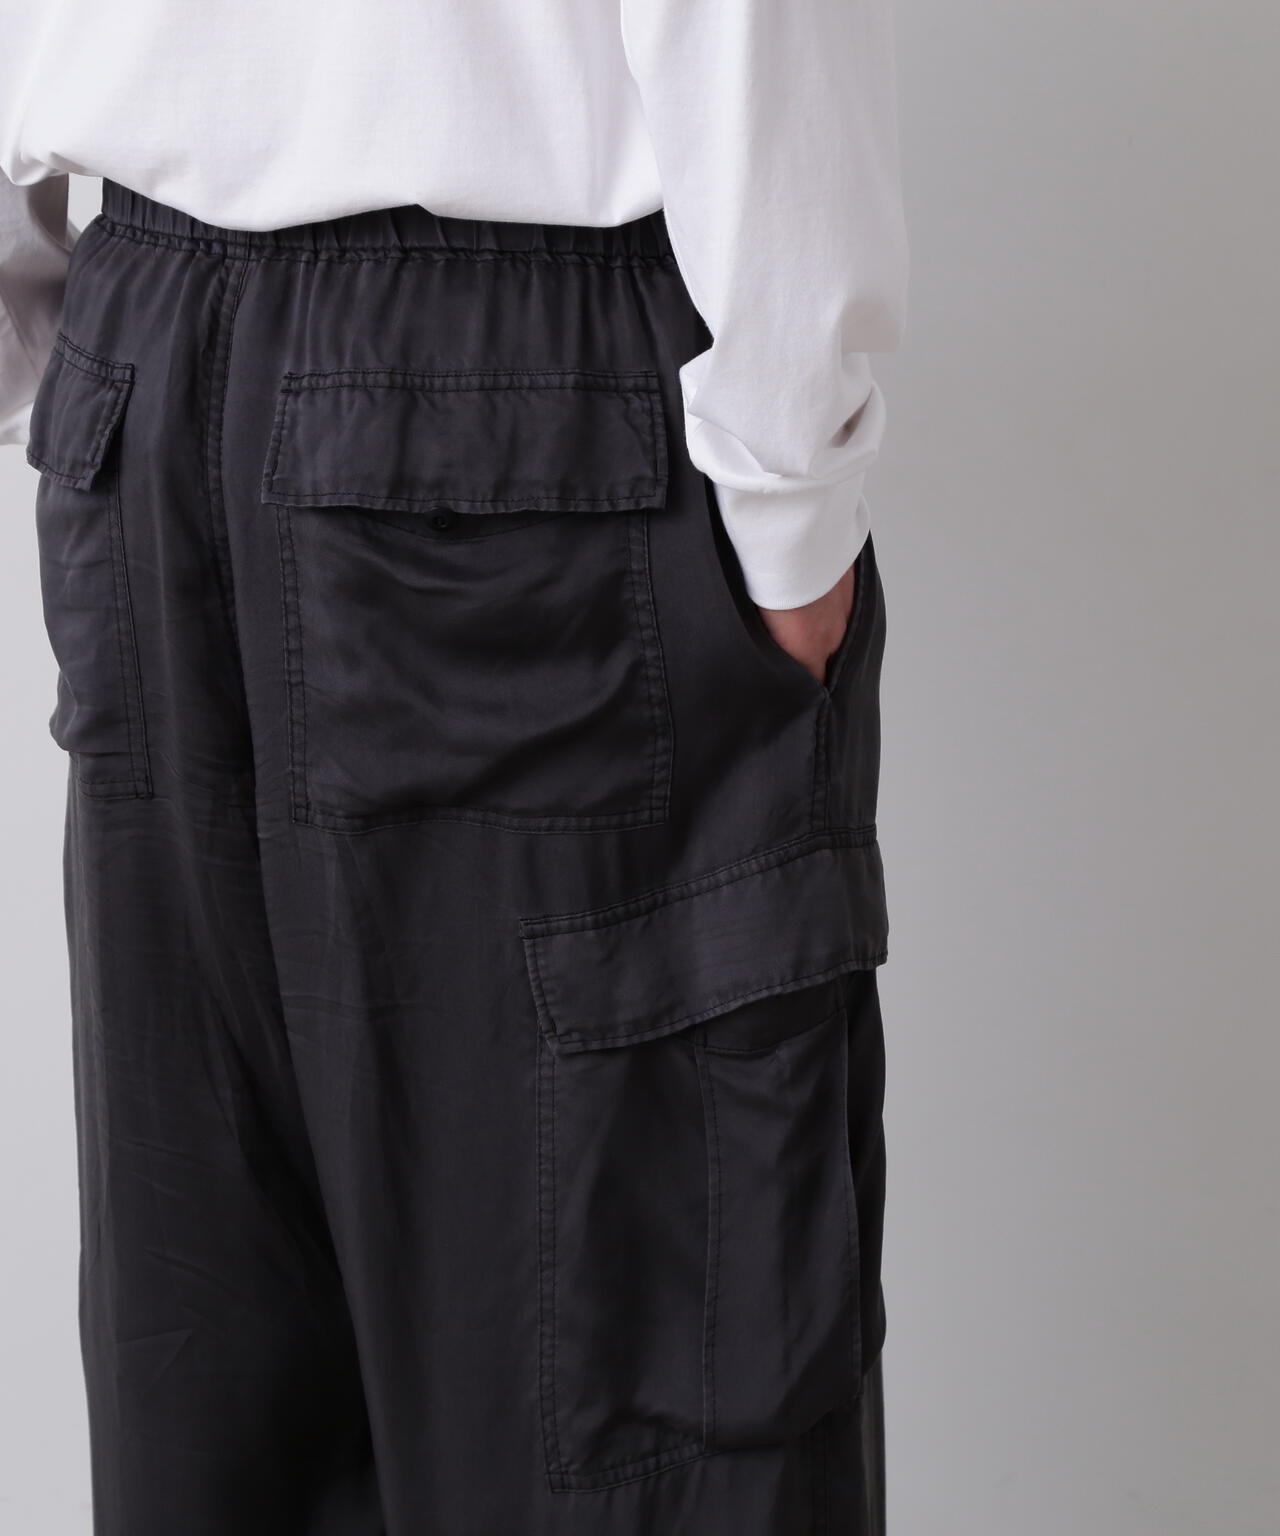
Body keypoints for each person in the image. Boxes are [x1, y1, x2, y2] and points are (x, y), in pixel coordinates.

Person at [0, 3, 909, 1532]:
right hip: (519, 408)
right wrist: (795, 491)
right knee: (641, 1367)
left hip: (149, 363)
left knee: (232, 1332)